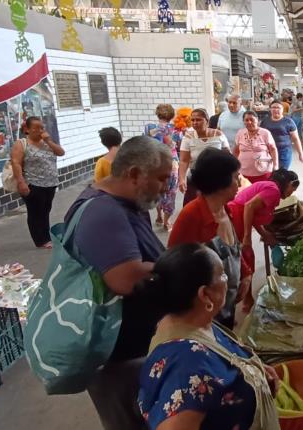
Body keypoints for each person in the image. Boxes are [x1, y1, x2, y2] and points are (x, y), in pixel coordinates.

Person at [64, 136, 172, 430]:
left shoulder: (126, 204)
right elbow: (124, 278)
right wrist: (176, 265)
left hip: (135, 349)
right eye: (162, 179)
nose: (165, 187)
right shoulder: (103, 212)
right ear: (135, 174)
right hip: (118, 356)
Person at [136, 243, 280, 430]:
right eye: (222, 274)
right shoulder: (187, 369)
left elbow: (219, 369)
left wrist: (254, 373)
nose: (227, 278)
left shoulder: (188, 320)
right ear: (204, 294)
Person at [168, 148, 246, 327]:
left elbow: (235, 250)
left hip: (227, 303)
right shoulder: (191, 215)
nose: (239, 182)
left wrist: (246, 274)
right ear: (220, 182)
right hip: (203, 314)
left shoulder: (228, 210)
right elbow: (173, 267)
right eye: (235, 177)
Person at [227, 169, 299, 311]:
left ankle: (243, 300)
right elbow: (248, 207)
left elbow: (253, 213)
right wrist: (247, 237)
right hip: (236, 218)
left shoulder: (270, 187)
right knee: (245, 258)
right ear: (289, 183)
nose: (292, 193)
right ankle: (243, 301)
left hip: (237, 217)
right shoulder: (274, 191)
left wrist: (265, 234)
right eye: (293, 188)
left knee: (243, 259)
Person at [11, 116, 65, 249]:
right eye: (36, 128)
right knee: (35, 211)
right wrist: (21, 182)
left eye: (42, 127)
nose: (39, 130)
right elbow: (16, 163)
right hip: (33, 183)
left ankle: (46, 236)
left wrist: (48, 140)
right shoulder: (22, 143)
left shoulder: (46, 142)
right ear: (27, 129)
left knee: (45, 210)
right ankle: (40, 240)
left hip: (50, 182)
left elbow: (61, 152)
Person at [178, 108, 230, 206]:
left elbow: (228, 156)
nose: (195, 123)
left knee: (216, 206)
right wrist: (181, 179)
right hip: (195, 178)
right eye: (192, 120)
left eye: (198, 119)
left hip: (216, 178)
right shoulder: (188, 137)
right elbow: (184, 161)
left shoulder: (218, 134)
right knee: (193, 207)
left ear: (207, 121)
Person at [144, 104, 179, 231]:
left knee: (158, 190)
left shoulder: (149, 127)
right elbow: (178, 144)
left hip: (155, 162)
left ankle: (158, 215)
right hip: (171, 162)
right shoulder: (176, 129)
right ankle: (166, 221)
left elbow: (145, 142)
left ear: (157, 114)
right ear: (172, 115)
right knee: (171, 192)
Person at [233, 111, 277, 183]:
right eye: (246, 120)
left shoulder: (265, 133)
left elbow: (273, 149)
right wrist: (233, 167)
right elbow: (236, 150)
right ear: (243, 122)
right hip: (243, 172)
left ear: (257, 120)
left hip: (263, 172)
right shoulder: (240, 133)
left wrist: (275, 166)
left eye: (252, 120)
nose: (249, 122)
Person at [260, 100, 303, 170]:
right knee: (270, 173)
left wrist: (300, 153)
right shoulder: (265, 121)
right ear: (270, 109)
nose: (275, 110)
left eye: (278, 108)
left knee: (282, 174)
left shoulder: (289, 121)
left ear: (282, 109)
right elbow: (260, 136)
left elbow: (296, 139)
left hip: (284, 153)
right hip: (268, 153)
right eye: (273, 107)